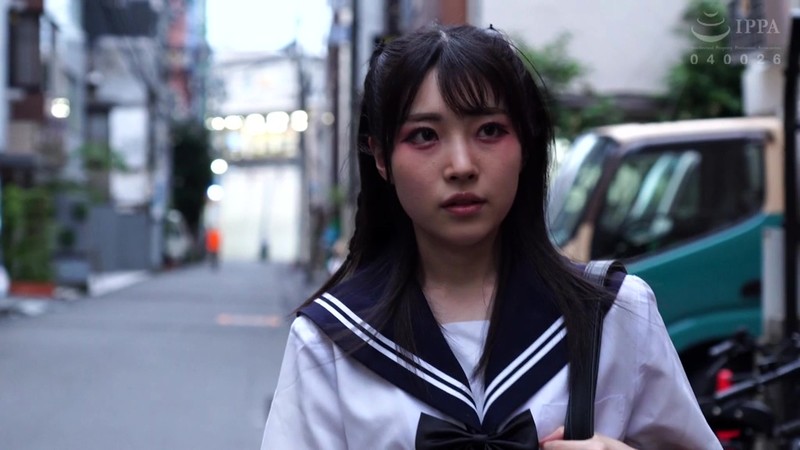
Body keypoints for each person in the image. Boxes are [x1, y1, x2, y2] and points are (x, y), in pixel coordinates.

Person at [261, 24, 721, 449]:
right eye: (424, 135)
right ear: (381, 157)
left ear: (526, 145)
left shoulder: (614, 313)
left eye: (489, 130)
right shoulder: (329, 341)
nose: (461, 165)